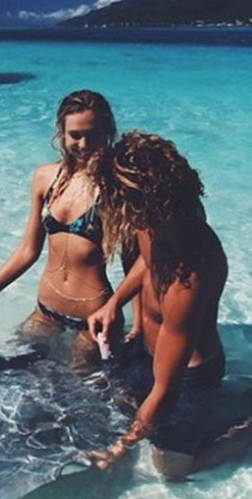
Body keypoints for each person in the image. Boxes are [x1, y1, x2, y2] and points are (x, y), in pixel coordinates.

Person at [86, 131, 228, 479]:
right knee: (106, 400)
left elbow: (167, 389)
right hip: (148, 353)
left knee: (172, 469)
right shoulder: (156, 221)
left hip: (191, 376)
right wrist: (114, 302)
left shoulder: (189, 279)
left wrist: (120, 449)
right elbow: (148, 262)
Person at [0, 89, 122, 369]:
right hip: (46, 310)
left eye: (93, 135)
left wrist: (132, 323)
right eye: (75, 135)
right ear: (61, 133)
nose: (84, 144)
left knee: (80, 392)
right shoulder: (44, 178)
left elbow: (138, 261)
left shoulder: (116, 186)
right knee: (12, 370)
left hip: (95, 316)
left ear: (107, 132)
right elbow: (28, 250)